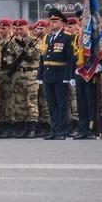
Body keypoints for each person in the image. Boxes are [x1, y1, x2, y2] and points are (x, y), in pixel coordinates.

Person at [37, 8, 74, 140]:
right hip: (48, 74)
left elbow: (70, 59)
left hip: (60, 74)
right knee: (51, 104)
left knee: (62, 104)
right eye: (50, 21)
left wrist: (68, 76)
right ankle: (54, 129)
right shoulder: (47, 37)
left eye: (55, 21)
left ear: (62, 23)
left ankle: (63, 130)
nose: (51, 23)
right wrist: (39, 75)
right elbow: (42, 58)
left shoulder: (68, 37)